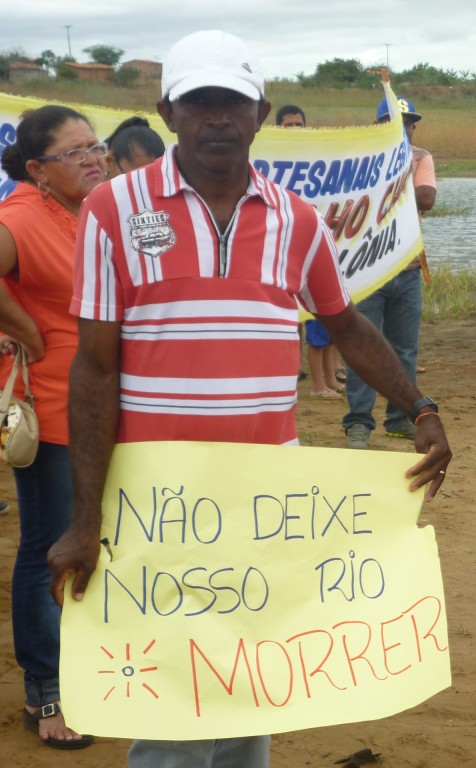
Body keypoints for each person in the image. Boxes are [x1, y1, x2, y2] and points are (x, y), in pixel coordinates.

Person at [46, 30, 451, 768]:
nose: (216, 117)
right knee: (174, 706)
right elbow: (95, 370)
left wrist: (419, 408)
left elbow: (347, 325)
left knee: (251, 689)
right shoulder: (112, 209)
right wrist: (84, 517)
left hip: (268, 506)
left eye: (231, 101)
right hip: (158, 505)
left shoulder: (297, 220)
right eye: (199, 102)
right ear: (169, 111)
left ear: (259, 112)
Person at [0, 105, 104, 750]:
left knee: (89, 538)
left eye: (97, 146)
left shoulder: (91, 211)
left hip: (101, 404)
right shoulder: (19, 217)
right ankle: (49, 692)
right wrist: (23, 328)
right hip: (52, 406)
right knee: (50, 543)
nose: (94, 158)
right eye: (76, 151)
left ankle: (91, 674)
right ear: (38, 167)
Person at [340, 95, 436, 450]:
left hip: (408, 269)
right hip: (367, 270)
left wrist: (389, 177)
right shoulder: (357, 160)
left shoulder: (420, 158)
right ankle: (359, 423)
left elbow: (426, 199)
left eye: (409, 123)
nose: (405, 129)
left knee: (405, 350)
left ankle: (400, 418)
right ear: (378, 127)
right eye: (396, 123)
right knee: (360, 346)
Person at [273, 103, 345, 397]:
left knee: (325, 322)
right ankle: (305, 376)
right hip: (283, 250)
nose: (293, 130)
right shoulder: (271, 158)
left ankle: (327, 378)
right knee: (294, 320)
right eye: (287, 125)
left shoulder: (318, 156)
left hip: (314, 246)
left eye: (297, 124)